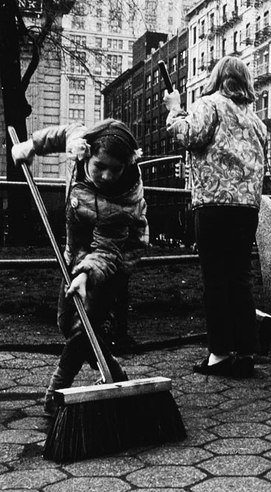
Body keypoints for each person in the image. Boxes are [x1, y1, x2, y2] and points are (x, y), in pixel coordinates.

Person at [12, 119, 148, 416]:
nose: (107, 175)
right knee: (66, 322)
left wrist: (86, 273)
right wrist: (30, 147)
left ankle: (55, 392)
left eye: (117, 168)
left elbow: (107, 251)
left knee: (84, 326)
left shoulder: (121, 202)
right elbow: (64, 133)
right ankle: (114, 373)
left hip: (113, 258)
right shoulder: (82, 142)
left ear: (128, 164)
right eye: (101, 166)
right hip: (76, 252)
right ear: (86, 153)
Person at [165, 55, 267, 378]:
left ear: (218, 77)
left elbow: (188, 135)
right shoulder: (256, 122)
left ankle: (220, 354)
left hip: (213, 203)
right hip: (247, 207)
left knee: (215, 278)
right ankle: (247, 351)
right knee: (240, 276)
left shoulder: (209, 105)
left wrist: (174, 107)